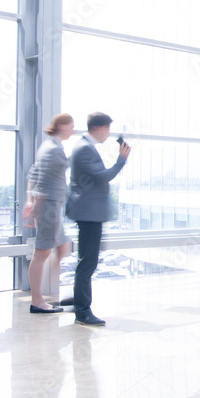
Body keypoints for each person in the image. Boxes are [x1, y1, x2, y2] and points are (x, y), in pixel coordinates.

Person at [65, 112, 130, 327]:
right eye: (107, 129)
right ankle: (83, 311)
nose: (108, 134)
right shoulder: (84, 148)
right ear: (100, 127)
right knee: (87, 263)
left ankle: (81, 306)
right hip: (88, 214)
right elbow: (102, 177)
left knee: (86, 262)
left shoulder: (85, 146)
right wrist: (121, 161)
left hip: (89, 213)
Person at [24, 113, 75, 313]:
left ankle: (49, 295)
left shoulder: (50, 146)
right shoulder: (53, 149)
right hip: (48, 207)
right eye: (71, 126)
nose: (73, 130)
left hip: (51, 206)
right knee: (41, 254)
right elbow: (42, 180)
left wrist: (30, 199)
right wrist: (35, 206)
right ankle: (37, 301)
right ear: (62, 126)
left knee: (62, 249)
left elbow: (34, 172)